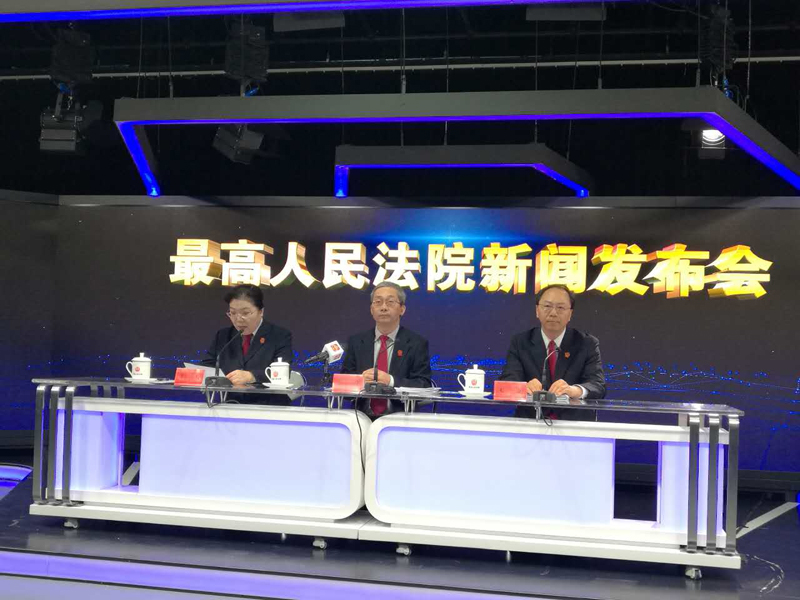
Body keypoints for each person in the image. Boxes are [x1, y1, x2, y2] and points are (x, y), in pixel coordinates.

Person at [499, 284, 605, 420]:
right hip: (530, 422)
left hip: (573, 425)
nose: (553, 313)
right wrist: (524, 387)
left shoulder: (587, 344)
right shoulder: (521, 342)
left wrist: (573, 390)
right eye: (547, 306)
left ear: (570, 314)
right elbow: (507, 381)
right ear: (537, 310)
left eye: (560, 307)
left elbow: (598, 385)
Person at [340, 281, 432, 417]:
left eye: (390, 302)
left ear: (402, 309)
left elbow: (423, 385)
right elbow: (343, 384)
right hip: (361, 417)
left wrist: (390, 381)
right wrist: (359, 381)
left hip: (400, 418)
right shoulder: (357, 341)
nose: (383, 307)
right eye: (378, 302)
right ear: (371, 309)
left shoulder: (416, 343)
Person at [202, 285, 293, 397]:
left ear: (261, 311)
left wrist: (252, 376)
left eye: (245, 313)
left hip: (268, 403)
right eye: (233, 313)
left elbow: (284, 373)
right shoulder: (223, 336)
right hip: (228, 403)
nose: (238, 319)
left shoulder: (279, 336)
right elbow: (207, 367)